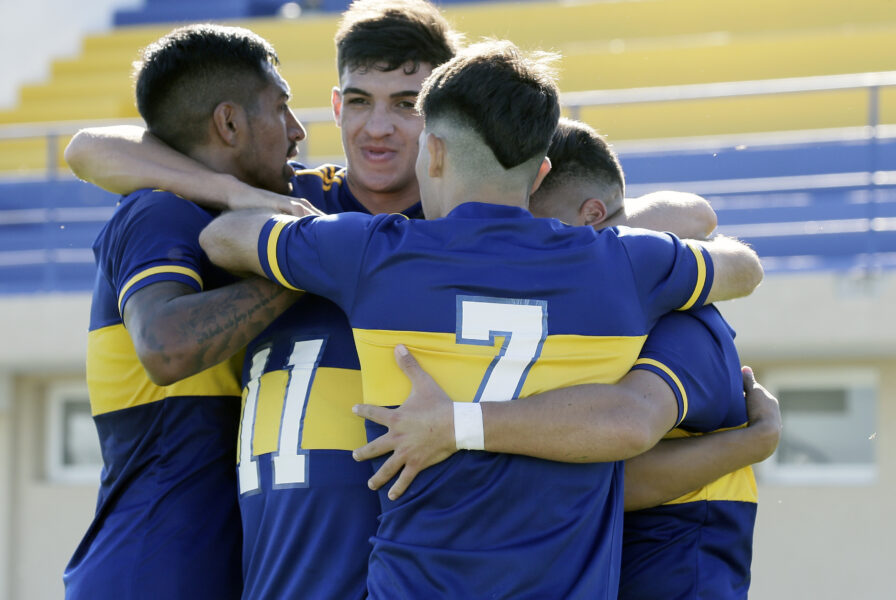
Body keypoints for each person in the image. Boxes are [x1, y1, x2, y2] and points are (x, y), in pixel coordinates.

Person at [196, 40, 763, 598]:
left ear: (435, 153)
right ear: (540, 173)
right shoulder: (624, 265)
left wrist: (304, 226)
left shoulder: (371, 252)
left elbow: (223, 238)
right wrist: (615, 236)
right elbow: (743, 267)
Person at [348, 117, 779, 599]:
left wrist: (456, 428)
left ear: (592, 217)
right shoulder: (582, 307)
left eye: (537, 227)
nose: (521, 246)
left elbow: (604, 457)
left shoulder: (681, 321)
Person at [62, 25, 307, 599]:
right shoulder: (160, 211)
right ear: (228, 123)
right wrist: (310, 268)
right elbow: (165, 345)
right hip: (148, 574)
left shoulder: (244, 213)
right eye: (281, 108)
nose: (297, 130)